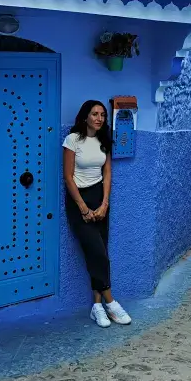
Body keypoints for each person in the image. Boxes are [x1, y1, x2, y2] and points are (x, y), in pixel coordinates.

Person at [63, 100, 132, 328]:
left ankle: (96, 307)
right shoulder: (73, 140)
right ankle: (111, 302)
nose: (100, 118)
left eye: (102, 114)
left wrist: (104, 204)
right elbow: (68, 177)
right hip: (78, 201)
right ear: (85, 117)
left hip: (99, 199)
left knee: (100, 251)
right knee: (97, 254)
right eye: (95, 114)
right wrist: (83, 207)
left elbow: (108, 172)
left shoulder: (104, 140)